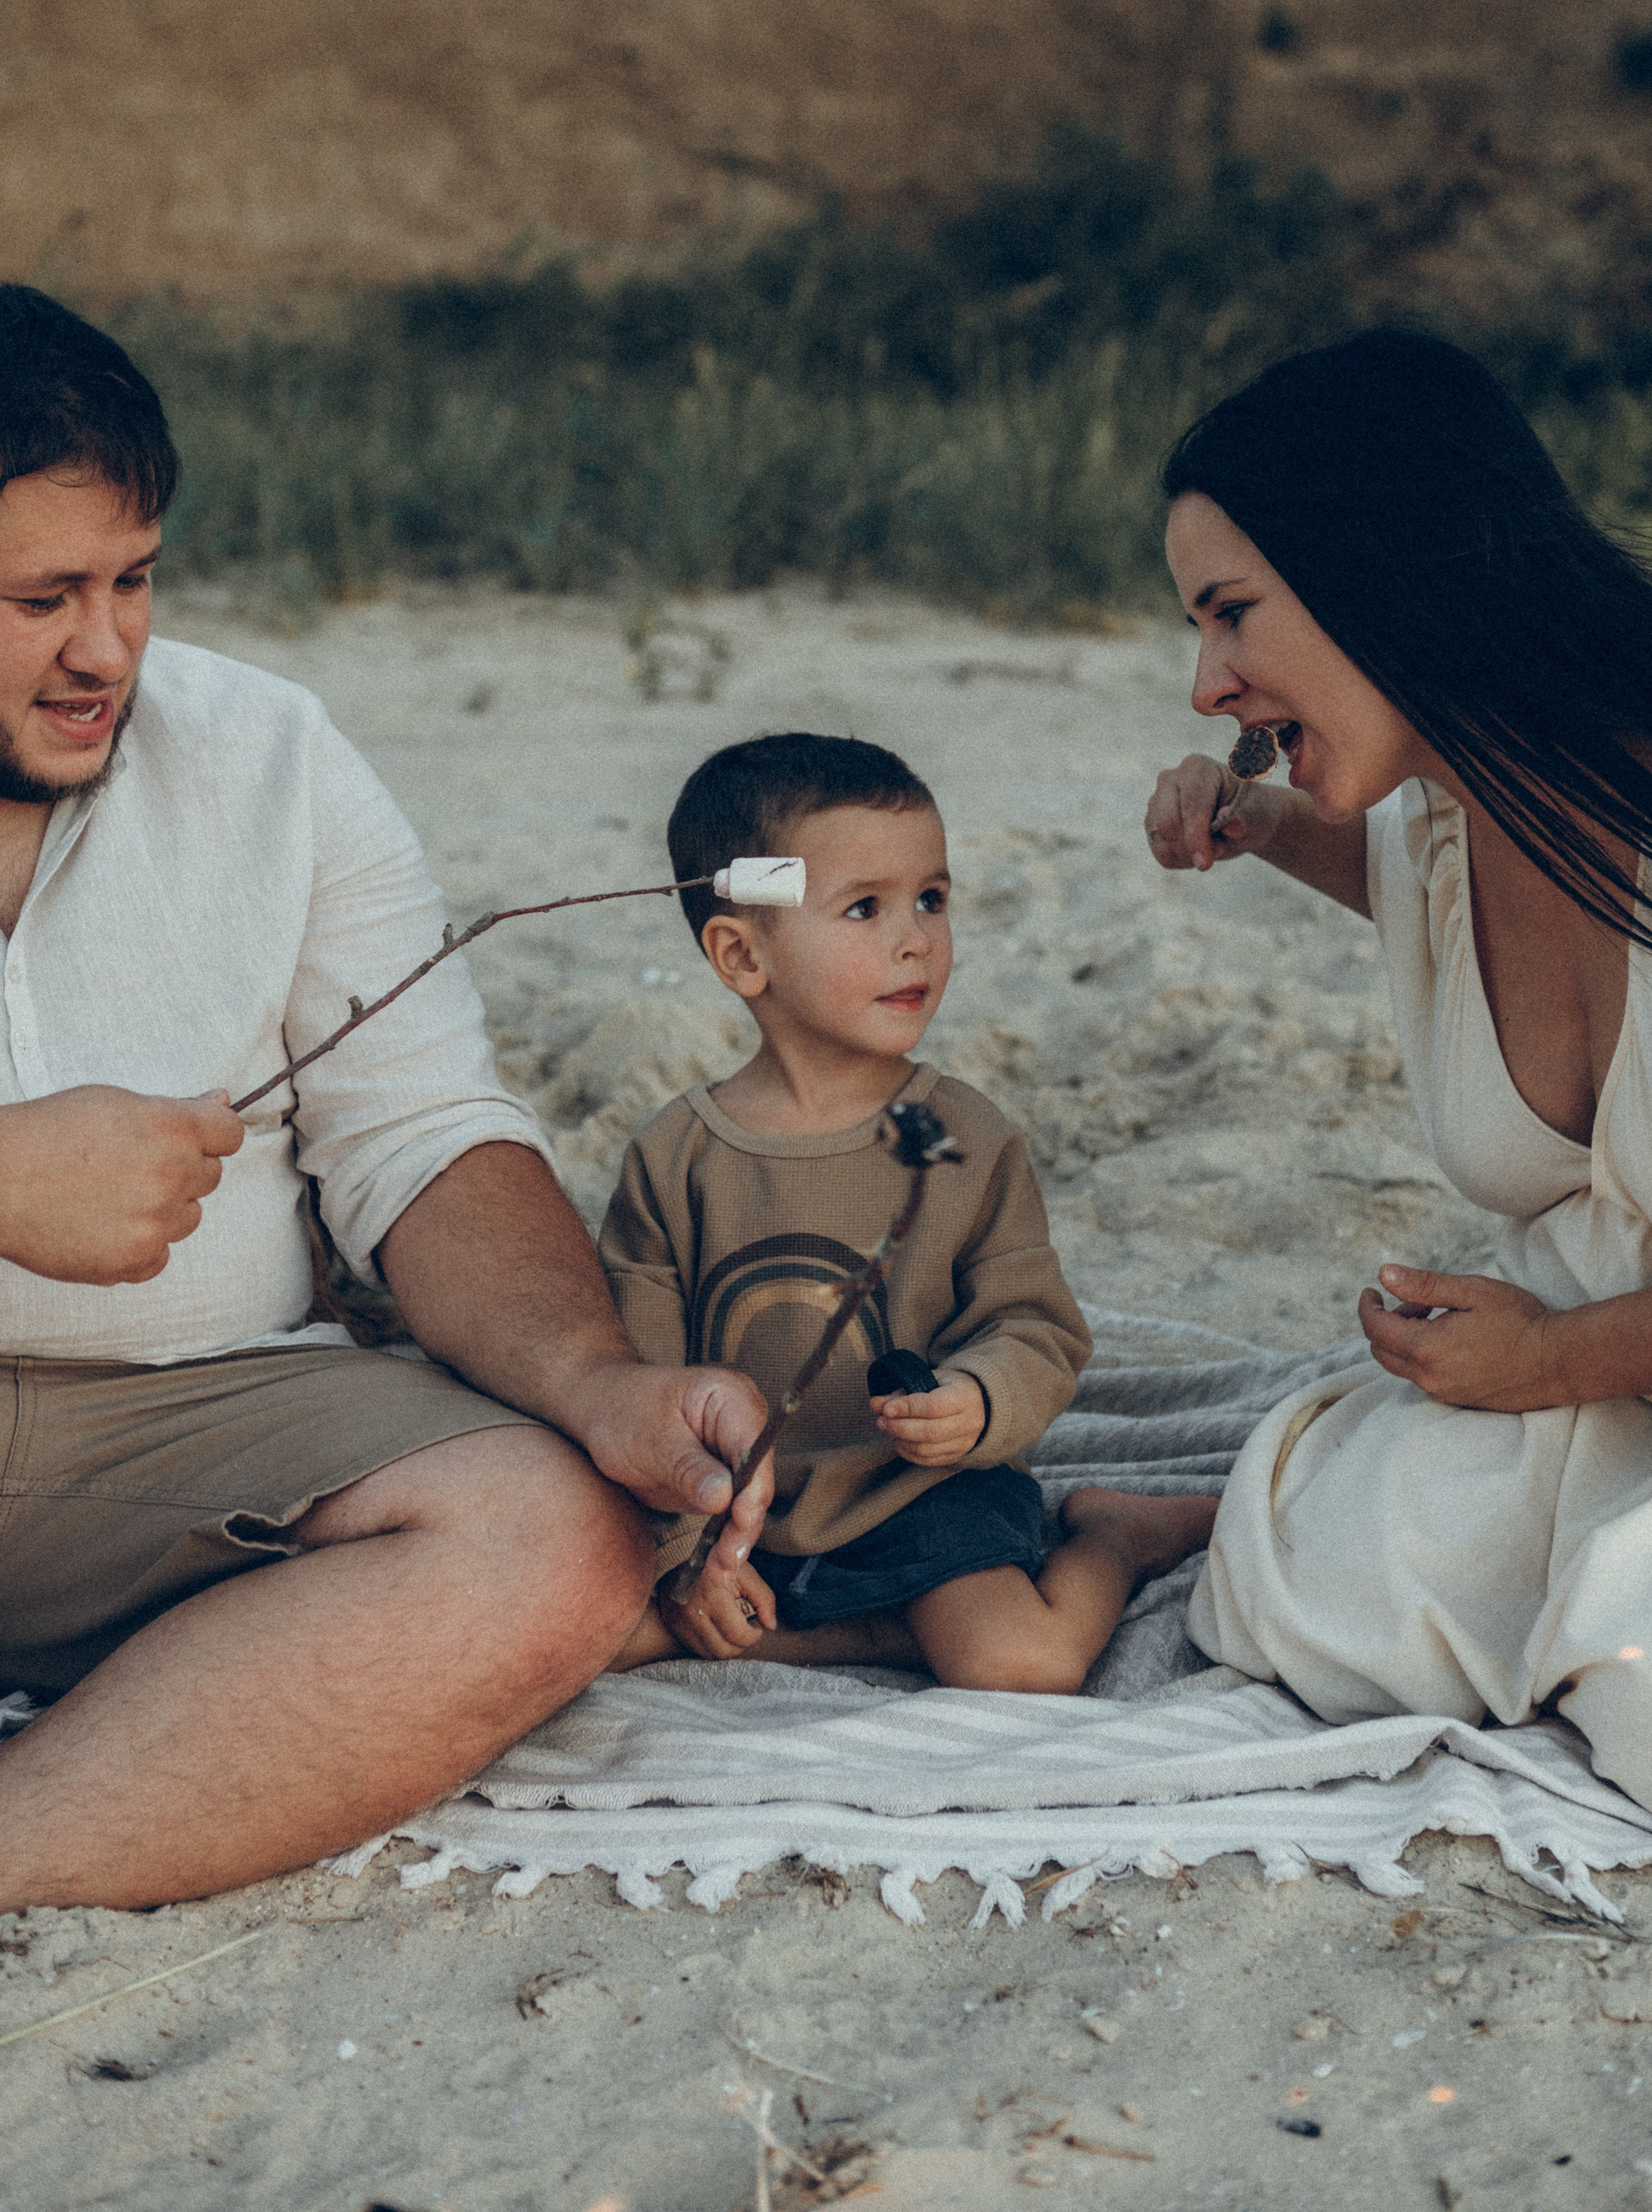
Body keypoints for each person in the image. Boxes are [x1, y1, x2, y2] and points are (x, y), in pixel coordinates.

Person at [0, 285, 770, 1912]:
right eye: (40, 598)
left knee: (556, 1535)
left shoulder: (267, 756)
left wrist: (594, 1382)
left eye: (133, 581)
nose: (105, 649)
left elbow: (416, 1134)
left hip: (179, 1437)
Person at [1143, 326, 1652, 1808]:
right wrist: (1264, 824)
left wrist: (1552, 1360)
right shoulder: (1455, 813)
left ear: (1386, 561)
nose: (1203, 685)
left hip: (1594, 1376)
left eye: (1231, 614)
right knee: (1302, 1560)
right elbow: (1456, 922)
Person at [603, 733, 1218, 1689]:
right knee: (596, 1629)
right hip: (746, 1512)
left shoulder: (960, 1134)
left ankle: (1118, 1538)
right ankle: (886, 1633)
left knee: (1021, 1661)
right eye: (865, 908)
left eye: (932, 898)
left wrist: (979, 1401)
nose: (915, 938)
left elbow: (1034, 1323)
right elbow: (640, 1381)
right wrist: (687, 1557)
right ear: (742, 953)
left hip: (921, 1497)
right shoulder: (675, 1159)